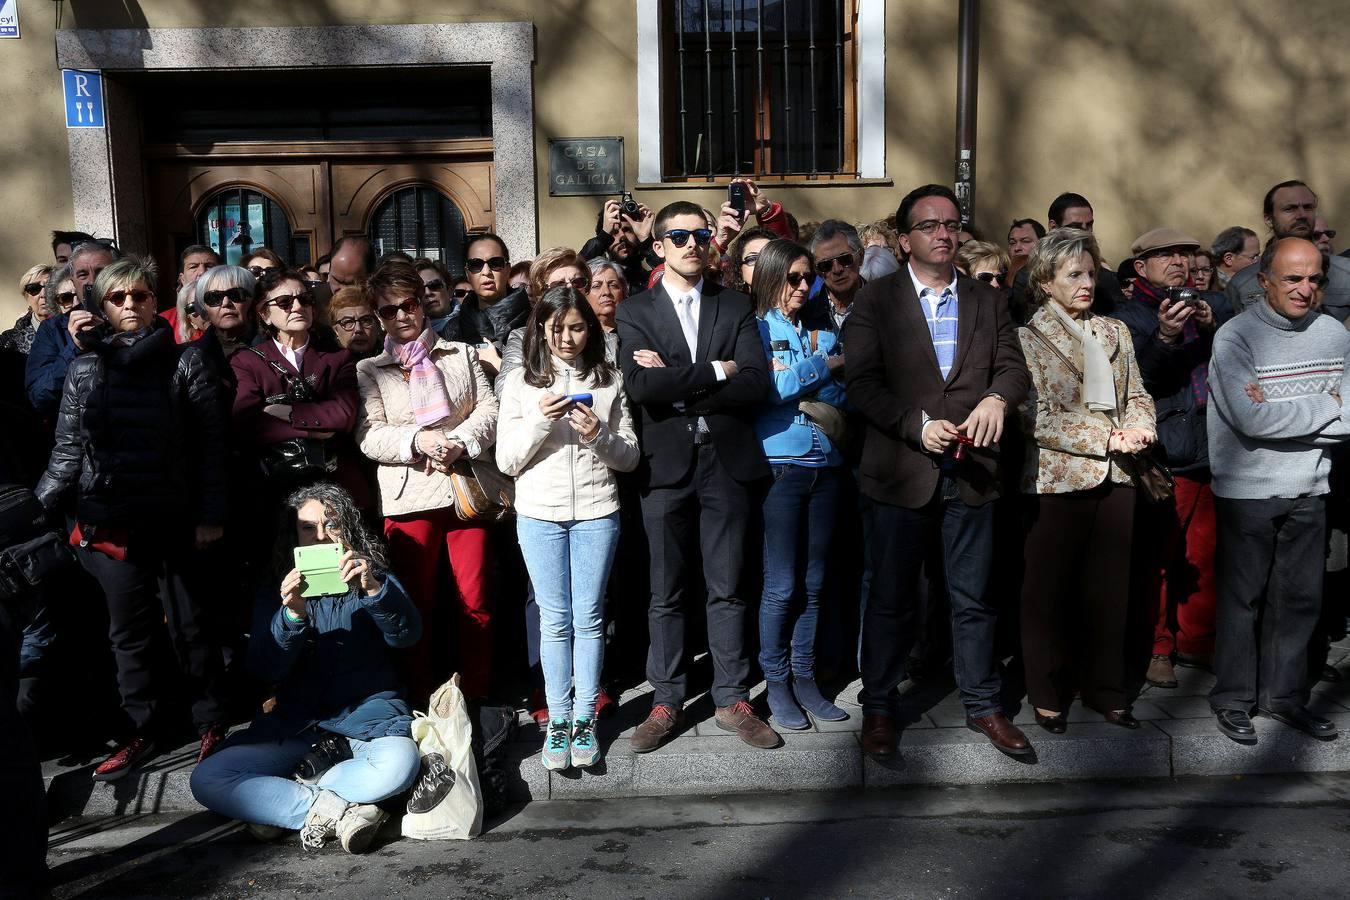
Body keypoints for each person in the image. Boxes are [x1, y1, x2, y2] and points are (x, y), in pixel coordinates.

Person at [845, 183, 1032, 759]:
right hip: (901, 471)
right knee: (892, 597)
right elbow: (862, 386)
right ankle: (879, 706)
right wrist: (914, 425)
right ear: (904, 241)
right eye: (929, 225)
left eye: (951, 223)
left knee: (973, 596)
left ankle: (983, 704)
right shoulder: (875, 301)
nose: (944, 233)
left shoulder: (987, 299)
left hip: (972, 470)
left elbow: (1014, 369)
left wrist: (999, 400)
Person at [35, 255, 229, 779]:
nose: (129, 306)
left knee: (191, 625)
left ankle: (210, 721)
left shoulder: (188, 361)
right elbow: (68, 450)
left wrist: (210, 514)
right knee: (129, 633)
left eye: (139, 296)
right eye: (118, 298)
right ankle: (143, 729)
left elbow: (212, 447)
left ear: (153, 301)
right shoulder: (85, 367)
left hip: (176, 516)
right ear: (102, 305)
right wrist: (38, 509)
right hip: (111, 521)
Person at [616, 200, 778, 753]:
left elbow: (756, 382)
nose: (691, 243)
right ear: (657, 247)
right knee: (666, 591)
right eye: (678, 236)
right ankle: (666, 700)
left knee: (728, 585)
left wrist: (679, 382)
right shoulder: (636, 311)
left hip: (726, 463)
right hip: (666, 467)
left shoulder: (735, 305)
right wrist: (714, 371)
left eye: (700, 235)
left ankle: (732, 698)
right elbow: (641, 388)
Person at [190, 483, 421, 853]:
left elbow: (407, 635)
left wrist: (375, 591)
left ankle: (290, 804)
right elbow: (265, 668)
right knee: (207, 778)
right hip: (299, 728)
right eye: (308, 528)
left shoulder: (372, 573)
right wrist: (292, 615)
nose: (321, 536)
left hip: (369, 722)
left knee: (399, 767)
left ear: (349, 528)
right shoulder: (278, 585)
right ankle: (341, 811)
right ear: (293, 534)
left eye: (333, 525)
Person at [1206, 236, 1350, 743]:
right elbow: (1250, 419)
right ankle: (1233, 700)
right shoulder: (1235, 338)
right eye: (1293, 278)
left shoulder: (1335, 334)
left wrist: (1288, 410)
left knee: (1299, 600)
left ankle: (1285, 699)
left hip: (1311, 484)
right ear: (1264, 280)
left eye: (1314, 279)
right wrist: (1324, 406)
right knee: (1243, 599)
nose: (1305, 289)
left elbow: (1349, 416)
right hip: (1247, 487)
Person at [1015, 228, 1157, 732]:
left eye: (1091, 273)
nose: (1086, 283)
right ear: (1045, 281)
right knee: (1048, 593)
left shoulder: (1115, 332)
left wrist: (1141, 425)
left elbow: (1137, 391)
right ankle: (1047, 692)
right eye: (1073, 274)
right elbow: (1034, 416)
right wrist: (1105, 437)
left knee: (1110, 591)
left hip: (1119, 475)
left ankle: (1106, 690)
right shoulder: (1027, 338)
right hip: (1057, 479)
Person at [496, 287, 639, 770]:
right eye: (556, 328)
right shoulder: (520, 382)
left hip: (598, 510)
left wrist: (597, 434)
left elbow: (630, 456)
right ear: (541, 329)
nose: (566, 338)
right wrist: (540, 420)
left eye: (577, 327)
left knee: (590, 616)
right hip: (538, 511)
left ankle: (585, 719)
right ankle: (557, 718)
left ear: (590, 329)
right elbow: (507, 459)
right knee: (555, 620)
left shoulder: (610, 379)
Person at [355, 260, 498, 702]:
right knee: (415, 602)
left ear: (422, 303)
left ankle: (475, 695)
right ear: (377, 315)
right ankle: (419, 696)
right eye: (387, 310)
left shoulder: (462, 354)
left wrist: (458, 441)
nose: (401, 315)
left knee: (475, 602)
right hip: (409, 495)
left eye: (408, 304)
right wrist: (419, 438)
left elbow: (490, 411)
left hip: (464, 491)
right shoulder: (369, 369)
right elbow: (368, 433)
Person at [1116, 228, 1232, 688]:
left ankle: (1197, 642)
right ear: (1141, 267)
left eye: (1185, 255)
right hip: (1165, 451)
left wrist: (1209, 325)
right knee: (1160, 557)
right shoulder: (1128, 316)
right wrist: (1166, 335)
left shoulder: (1212, 306)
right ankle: (1156, 647)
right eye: (1166, 255)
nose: (1179, 263)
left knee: (1203, 555)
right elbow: (1139, 380)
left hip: (1211, 446)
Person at [749, 239, 850, 730]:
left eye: (807, 277)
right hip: (781, 468)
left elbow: (839, 395)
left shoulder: (818, 330)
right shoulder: (755, 329)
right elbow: (771, 389)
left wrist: (812, 372)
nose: (803, 286)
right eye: (792, 277)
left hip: (826, 464)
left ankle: (806, 678)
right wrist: (820, 365)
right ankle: (778, 683)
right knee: (781, 585)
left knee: (814, 583)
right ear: (770, 277)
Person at [231, 270, 362, 501]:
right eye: (285, 302)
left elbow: (344, 415)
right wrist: (312, 431)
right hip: (272, 488)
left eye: (305, 299)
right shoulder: (247, 361)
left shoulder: (338, 357)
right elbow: (248, 424)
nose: (298, 307)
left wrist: (290, 412)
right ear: (265, 314)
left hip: (334, 484)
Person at [1228, 181, 1350, 320]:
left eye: (1308, 207)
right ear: (1268, 219)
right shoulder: (1242, 283)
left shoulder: (1346, 274)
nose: (1302, 215)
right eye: (1290, 209)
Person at [25, 240, 118, 415]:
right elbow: (38, 396)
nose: (92, 281)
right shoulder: (53, 329)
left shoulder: (134, 315)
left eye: (101, 272)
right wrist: (75, 348)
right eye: (83, 275)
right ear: (74, 282)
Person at [495, 248, 590, 397]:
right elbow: (504, 391)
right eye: (558, 285)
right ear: (541, 293)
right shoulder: (522, 339)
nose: (570, 289)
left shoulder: (609, 340)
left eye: (578, 282)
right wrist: (541, 404)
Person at [444, 232, 530, 380]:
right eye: (476, 265)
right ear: (467, 273)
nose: (486, 272)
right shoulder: (453, 329)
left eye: (495, 263)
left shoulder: (534, 321)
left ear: (508, 269)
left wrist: (498, 366)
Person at [806, 220, 867, 336]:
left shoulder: (884, 306)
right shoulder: (805, 312)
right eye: (826, 265)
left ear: (861, 256)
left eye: (845, 259)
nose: (837, 269)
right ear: (817, 269)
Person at [0, 265, 53, 354]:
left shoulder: (75, 329)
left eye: (50, 287)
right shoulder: (9, 342)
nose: (44, 294)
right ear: (26, 296)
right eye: (34, 288)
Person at [330, 286, 384, 360]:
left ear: (378, 324)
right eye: (348, 322)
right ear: (336, 330)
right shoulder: (328, 368)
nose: (358, 329)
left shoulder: (396, 359)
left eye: (366, 321)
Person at [724, 226, 776, 293]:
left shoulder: (791, 301)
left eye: (769, 257)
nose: (762, 264)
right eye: (753, 259)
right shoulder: (729, 301)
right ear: (740, 269)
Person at [587, 257, 628, 332]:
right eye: (596, 286)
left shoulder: (637, 331)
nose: (606, 292)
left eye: (613, 285)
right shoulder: (579, 337)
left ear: (623, 291)